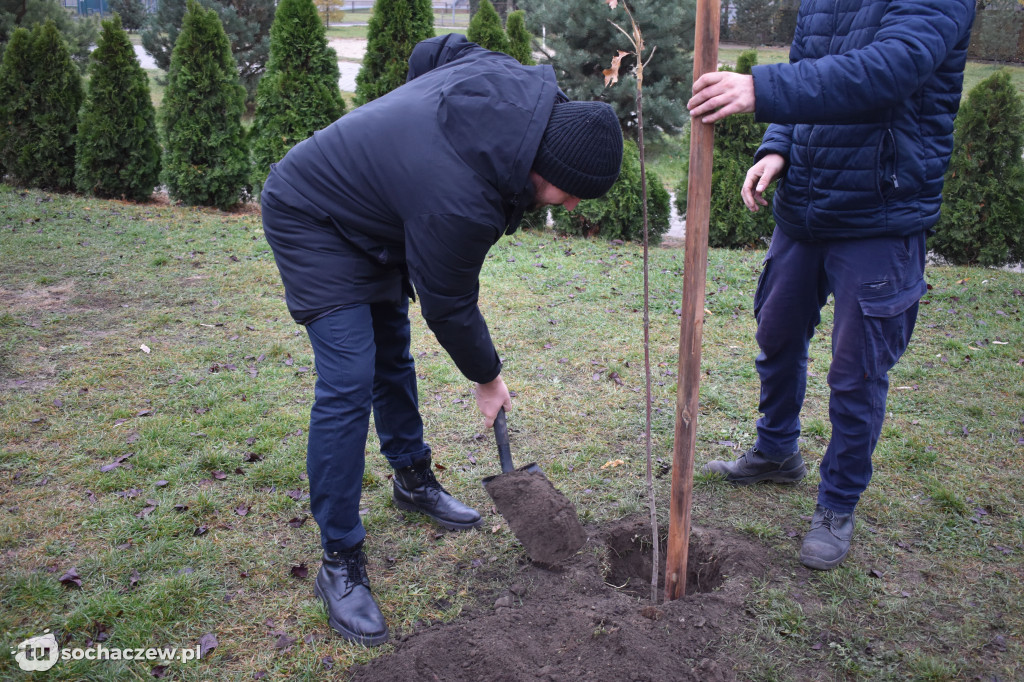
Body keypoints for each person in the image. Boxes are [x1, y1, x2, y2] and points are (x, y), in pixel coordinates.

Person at [261, 33, 623, 646]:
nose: (574, 204)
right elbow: (449, 305)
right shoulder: (460, 201)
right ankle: (341, 563)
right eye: (574, 193)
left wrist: (395, 147)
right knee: (350, 378)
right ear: (547, 170)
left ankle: (412, 478)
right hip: (311, 212)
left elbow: (437, 50)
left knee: (391, 354)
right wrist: (488, 379)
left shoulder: (513, 87)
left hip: (378, 211)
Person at [687, 1, 975, 571]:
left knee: (856, 370)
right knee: (777, 333)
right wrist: (778, 145)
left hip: (880, 213)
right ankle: (776, 451)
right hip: (805, 208)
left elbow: (890, 68)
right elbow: (809, 65)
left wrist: (759, 90)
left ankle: (838, 502)